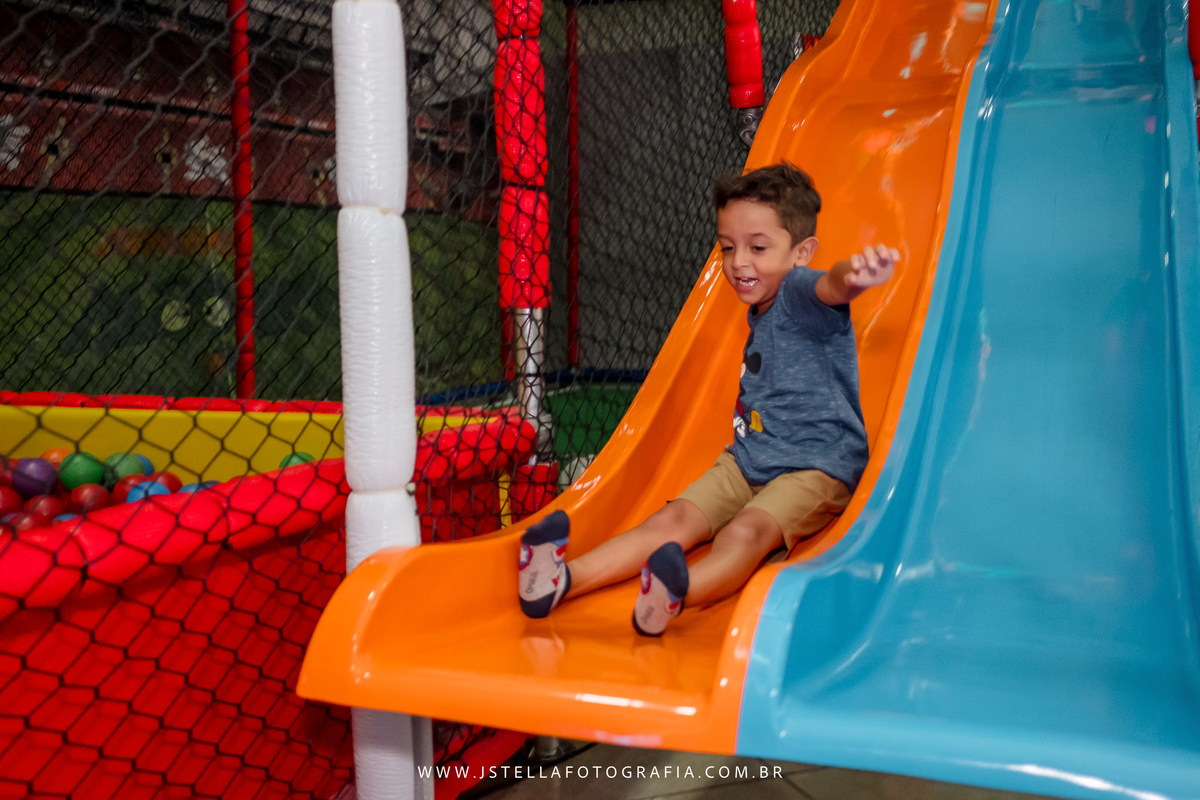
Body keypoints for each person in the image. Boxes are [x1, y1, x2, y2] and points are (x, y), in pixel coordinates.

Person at [518, 162, 898, 636]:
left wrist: (856, 275)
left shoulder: (799, 291)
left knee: (746, 532)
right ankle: (559, 579)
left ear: (802, 252)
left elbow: (832, 285)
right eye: (728, 247)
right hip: (749, 458)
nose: (739, 262)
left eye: (758, 247)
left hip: (814, 466)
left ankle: (677, 593)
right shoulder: (761, 306)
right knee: (673, 519)